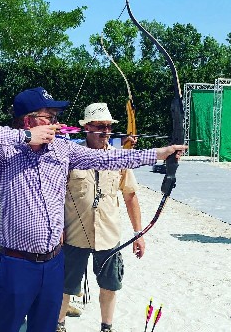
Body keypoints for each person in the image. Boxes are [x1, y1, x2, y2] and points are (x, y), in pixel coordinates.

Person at [0, 87, 186, 332]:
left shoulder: (63, 149)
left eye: (56, 117)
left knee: (45, 327)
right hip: (17, 263)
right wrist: (27, 136)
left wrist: (159, 154)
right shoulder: (5, 152)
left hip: (53, 262)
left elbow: (109, 159)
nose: (56, 122)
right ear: (28, 120)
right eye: (49, 116)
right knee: (5, 327)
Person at [57, 103, 146, 332]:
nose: (105, 131)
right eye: (99, 126)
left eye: (108, 127)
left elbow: (130, 195)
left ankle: (106, 327)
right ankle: (59, 325)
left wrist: (139, 234)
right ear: (86, 127)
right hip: (74, 235)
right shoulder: (71, 157)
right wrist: (57, 228)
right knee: (65, 286)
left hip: (108, 235)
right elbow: (55, 196)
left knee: (110, 285)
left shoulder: (118, 157)